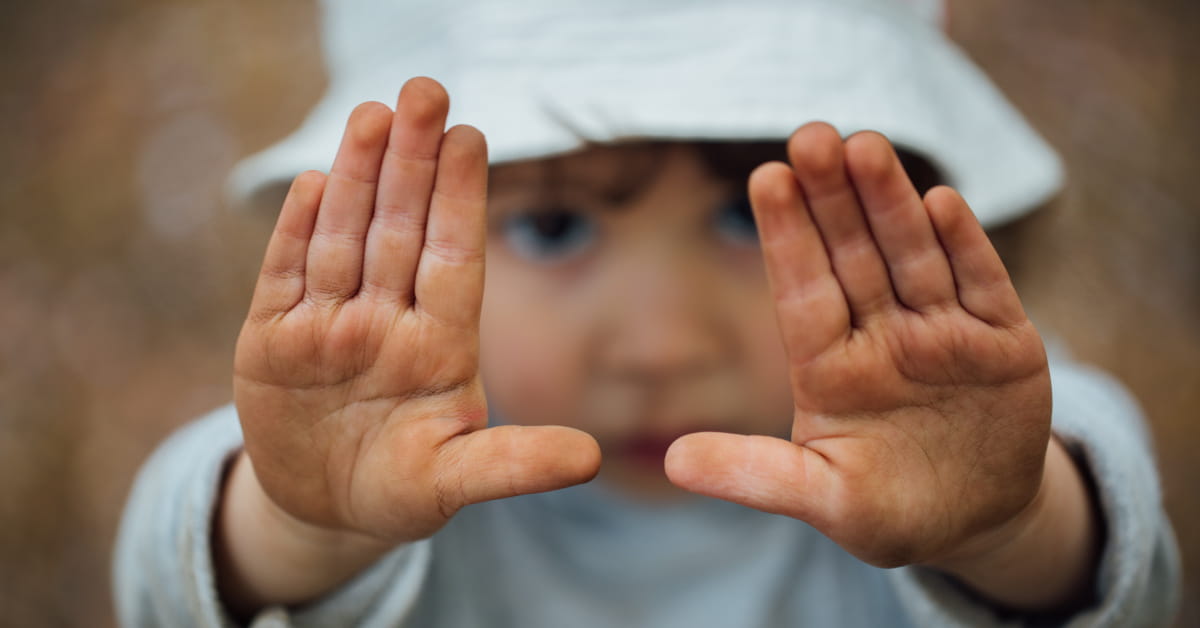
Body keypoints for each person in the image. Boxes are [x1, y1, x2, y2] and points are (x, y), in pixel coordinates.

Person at [114, 0, 1180, 625]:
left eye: (745, 218)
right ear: (401, 233)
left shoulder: (940, 448)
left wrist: (1010, 526)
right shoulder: (397, 489)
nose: (664, 342)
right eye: (556, 231)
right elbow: (168, 583)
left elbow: (1122, 566)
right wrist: (303, 522)